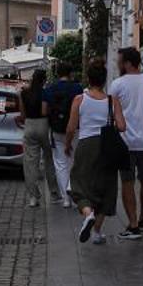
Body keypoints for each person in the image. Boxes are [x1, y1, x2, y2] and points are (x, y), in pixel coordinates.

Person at [63, 60, 125, 245]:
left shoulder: (79, 100)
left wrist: (67, 145)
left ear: (88, 79)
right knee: (106, 187)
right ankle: (97, 232)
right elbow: (122, 126)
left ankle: (87, 213)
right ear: (105, 80)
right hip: (107, 146)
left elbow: (71, 128)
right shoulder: (113, 101)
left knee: (78, 183)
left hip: (86, 145)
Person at [107, 46, 143, 240]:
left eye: (120, 60)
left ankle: (132, 225)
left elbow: (111, 114)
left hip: (125, 142)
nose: (117, 63)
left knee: (127, 182)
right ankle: (142, 216)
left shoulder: (117, 85)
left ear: (128, 63)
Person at [44, 60, 83, 207]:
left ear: (57, 73)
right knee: (73, 160)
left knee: (60, 163)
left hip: (57, 129)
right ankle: (71, 188)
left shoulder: (51, 88)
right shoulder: (77, 88)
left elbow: (46, 109)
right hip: (74, 128)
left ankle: (65, 198)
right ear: (71, 73)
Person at [16, 68, 57, 207]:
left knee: (30, 163)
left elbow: (22, 114)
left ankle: (33, 197)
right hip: (43, 125)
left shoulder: (24, 93)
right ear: (44, 80)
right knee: (49, 160)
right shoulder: (45, 92)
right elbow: (44, 111)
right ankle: (54, 192)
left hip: (29, 125)